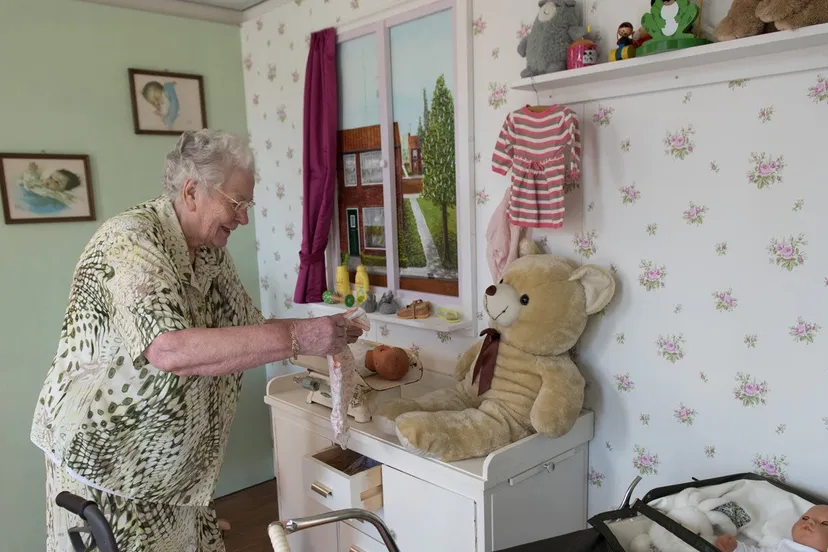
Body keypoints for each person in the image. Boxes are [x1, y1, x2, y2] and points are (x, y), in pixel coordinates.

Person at [30, 129, 363, 551]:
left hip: (176, 474)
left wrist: (325, 336)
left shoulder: (209, 252)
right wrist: (300, 336)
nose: (244, 217)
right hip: (108, 468)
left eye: (248, 204)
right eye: (236, 203)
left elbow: (250, 329)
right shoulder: (131, 240)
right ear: (192, 192)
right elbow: (169, 348)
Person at [715, 505, 828, 552]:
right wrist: (736, 547)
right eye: (805, 518)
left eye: (825, 523)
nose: (810, 521)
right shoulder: (783, 546)